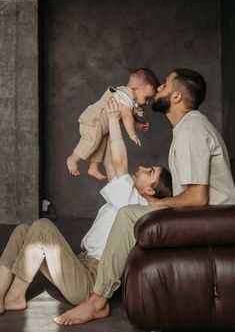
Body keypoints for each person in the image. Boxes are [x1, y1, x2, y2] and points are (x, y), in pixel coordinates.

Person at [54, 68, 235, 326]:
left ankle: (97, 301)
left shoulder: (192, 130)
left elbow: (197, 198)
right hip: (205, 215)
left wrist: (157, 203)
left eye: (164, 85)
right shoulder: (187, 128)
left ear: (175, 97)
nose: (158, 87)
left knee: (129, 215)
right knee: (131, 211)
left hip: (214, 220)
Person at [0, 98, 172, 317]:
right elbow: (111, 163)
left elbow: (119, 164)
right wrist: (115, 122)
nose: (142, 167)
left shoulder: (135, 203)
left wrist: (112, 119)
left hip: (90, 282)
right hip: (80, 263)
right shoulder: (126, 196)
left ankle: (15, 295)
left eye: (149, 172)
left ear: (151, 191)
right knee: (23, 230)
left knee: (42, 227)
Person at [67, 68, 158, 180]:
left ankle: (93, 167)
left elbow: (127, 119)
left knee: (101, 143)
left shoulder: (127, 100)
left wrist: (139, 125)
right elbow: (126, 117)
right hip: (94, 120)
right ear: (135, 89)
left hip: (101, 126)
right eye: (146, 98)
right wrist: (132, 134)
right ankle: (73, 159)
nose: (147, 102)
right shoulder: (126, 96)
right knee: (92, 141)